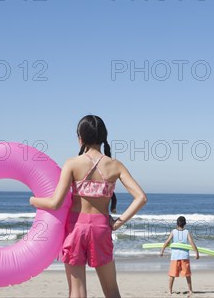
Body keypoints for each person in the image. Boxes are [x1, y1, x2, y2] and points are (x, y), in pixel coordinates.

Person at [30, 115, 147, 298]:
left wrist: (33, 201)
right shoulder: (115, 165)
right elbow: (141, 197)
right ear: (104, 137)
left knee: (76, 292)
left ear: (80, 138)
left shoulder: (72, 164)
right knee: (111, 290)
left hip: (75, 228)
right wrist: (117, 223)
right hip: (101, 229)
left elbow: (55, 203)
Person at [160, 216, 199, 296]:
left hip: (175, 256)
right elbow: (192, 243)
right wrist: (197, 253)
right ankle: (190, 291)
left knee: (172, 274)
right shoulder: (187, 232)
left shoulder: (173, 231)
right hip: (184, 256)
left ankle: (170, 291)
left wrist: (162, 251)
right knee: (187, 274)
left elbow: (167, 241)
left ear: (177, 223)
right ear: (184, 224)